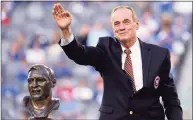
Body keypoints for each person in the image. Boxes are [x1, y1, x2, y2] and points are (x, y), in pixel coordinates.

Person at [52, 3, 182, 120]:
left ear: (136, 24)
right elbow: (80, 54)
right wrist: (65, 30)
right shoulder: (105, 48)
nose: (121, 27)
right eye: (116, 23)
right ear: (113, 29)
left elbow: (171, 100)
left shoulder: (158, 54)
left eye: (126, 22)